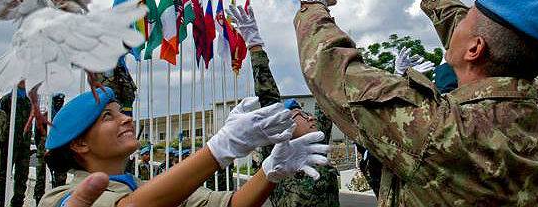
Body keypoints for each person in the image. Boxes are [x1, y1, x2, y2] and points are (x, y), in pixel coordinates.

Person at [289, 0, 538, 205]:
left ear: (474, 49)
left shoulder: (440, 129)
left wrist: (313, 3)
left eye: (463, 24)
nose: (455, 26)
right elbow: (489, 38)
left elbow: (329, 66)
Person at [38, 87, 329, 207]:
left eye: (121, 111)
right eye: (107, 117)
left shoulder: (145, 187)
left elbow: (233, 204)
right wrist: (221, 147)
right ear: (79, 143)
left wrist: (270, 171)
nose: (126, 119)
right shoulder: (60, 198)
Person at [228, 4, 341, 207]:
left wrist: (324, 25)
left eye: (308, 115)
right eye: (302, 115)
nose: (311, 117)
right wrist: (255, 46)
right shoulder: (278, 154)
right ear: (284, 124)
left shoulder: (315, 146)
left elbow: (326, 92)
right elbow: (268, 96)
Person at [0, 80, 32, 207]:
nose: (23, 82)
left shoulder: (28, 102)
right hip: (8, 144)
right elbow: (0, 122)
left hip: (24, 144)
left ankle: (17, 204)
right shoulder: (7, 100)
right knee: (4, 176)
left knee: (22, 176)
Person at [35, 93, 68, 204]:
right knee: (41, 177)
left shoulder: (65, 117)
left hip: (59, 149)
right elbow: (37, 135)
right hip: (44, 148)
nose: (59, 103)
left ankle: (58, 201)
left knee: (60, 179)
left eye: (61, 102)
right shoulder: (44, 116)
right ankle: (39, 201)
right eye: (57, 101)